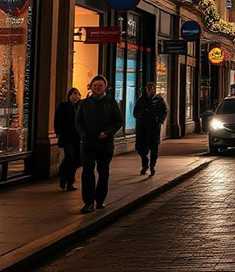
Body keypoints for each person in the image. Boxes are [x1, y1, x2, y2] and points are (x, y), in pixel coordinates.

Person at [75, 75, 123, 214]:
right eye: (95, 85)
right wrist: (83, 134)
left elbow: (118, 121)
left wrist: (107, 133)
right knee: (88, 171)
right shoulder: (84, 103)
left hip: (105, 145)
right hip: (88, 144)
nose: (97, 88)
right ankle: (88, 202)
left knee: (103, 172)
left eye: (100, 86)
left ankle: (100, 199)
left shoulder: (111, 103)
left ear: (105, 88)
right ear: (91, 87)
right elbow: (78, 122)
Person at [133, 81, 168, 176]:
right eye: (147, 89)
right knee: (140, 147)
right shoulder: (142, 99)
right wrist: (140, 116)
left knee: (154, 147)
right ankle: (145, 163)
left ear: (154, 89)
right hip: (143, 127)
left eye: (151, 89)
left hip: (154, 127)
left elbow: (164, 111)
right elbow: (135, 112)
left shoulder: (159, 100)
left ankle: (152, 165)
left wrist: (160, 120)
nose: (149, 91)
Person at [54, 87, 82, 191]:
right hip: (67, 138)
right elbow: (57, 120)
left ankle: (64, 174)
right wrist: (59, 133)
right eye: (72, 94)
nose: (75, 96)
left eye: (76, 94)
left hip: (78, 138)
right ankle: (69, 181)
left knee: (77, 160)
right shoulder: (64, 106)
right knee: (70, 158)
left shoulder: (81, 106)